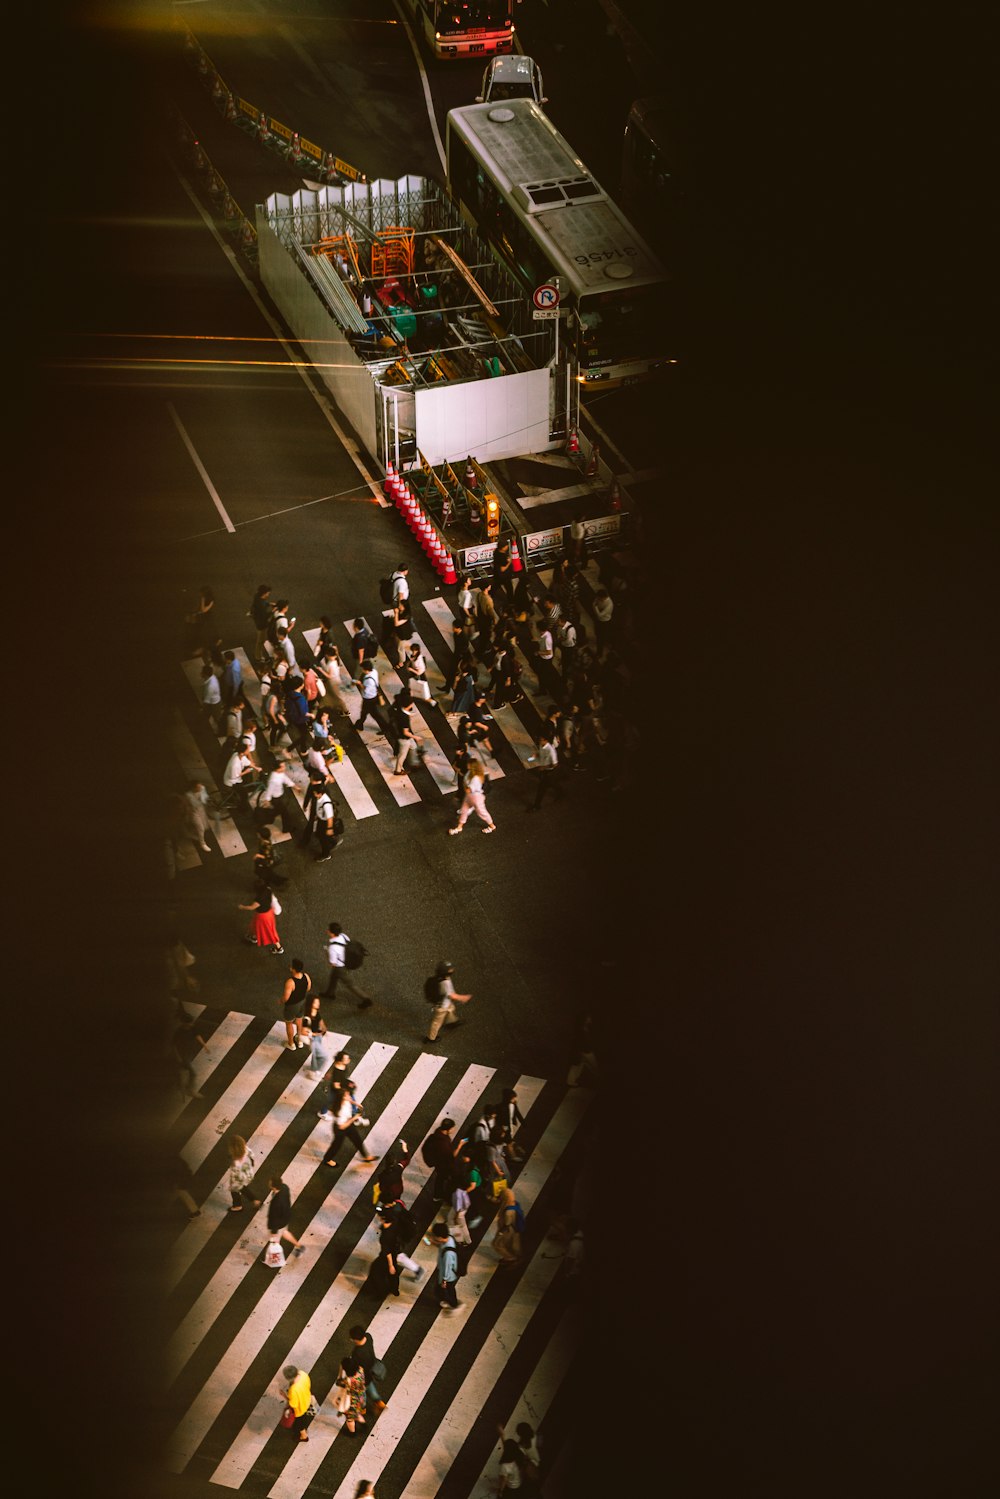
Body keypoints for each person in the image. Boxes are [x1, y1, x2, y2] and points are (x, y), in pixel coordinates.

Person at [322, 1078, 377, 1167]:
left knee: (357, 1140)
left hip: (348, 1125)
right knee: (336, 1146)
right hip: (341, 1129)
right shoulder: (340, 1111)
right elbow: (341, 1126)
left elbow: (348, 1099)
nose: (348, 1096)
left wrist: (355, 1103)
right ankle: (327, 1159)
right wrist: (354, 1118)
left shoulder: (343, 1099)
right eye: (346, 1095)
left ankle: (366, 1156)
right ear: (342, 1098)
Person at [324, 922, 373, 1007]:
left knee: (350, 984)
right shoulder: (343, 936)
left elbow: (333, 963)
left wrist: (327, 952)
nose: (327, 930)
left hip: (340, 968)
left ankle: (366, 999)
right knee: (333, 977)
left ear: (332, 933)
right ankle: (330, 993)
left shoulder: (333, 947)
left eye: (328, 930)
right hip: (346, 962)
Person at [377, 1203, 424, 1290]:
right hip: (399, 1238)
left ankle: (417, 1269)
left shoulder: (393, 1222)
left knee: (398, 1257)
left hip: (397, 1241)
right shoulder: (397, 1207)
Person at [425, 960, 472, 1042]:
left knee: (451, 1009)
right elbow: (452, 995)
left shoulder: (440, 978)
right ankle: (431, 1038)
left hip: (446, 1003)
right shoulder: (445, 983)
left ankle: (451, 1022)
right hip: (442, 1006)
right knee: (436, 1023)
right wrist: (463, 998)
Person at [345, 1326, 389, 1413]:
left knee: (361, 1392)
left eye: (352, 1339)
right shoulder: (368, 1337)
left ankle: (363, 1408)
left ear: (356, 1340)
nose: (351, 1340)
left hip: (364, 1376)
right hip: (372, 1368)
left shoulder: (357, 1353)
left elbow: (356, 1368)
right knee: (370, 1388)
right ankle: (380, 1403)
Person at [422, 1118, 468, 1203]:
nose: (454, 1129)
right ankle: (442, 1195)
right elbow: (451, 1157)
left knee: (440, 1178)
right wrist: (459, 1146)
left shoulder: (437, 1135)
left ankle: (437, 1195)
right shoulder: (443, 1145)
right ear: (448, 1129)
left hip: (439, 1163)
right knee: (447, 1178)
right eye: (453, 1128)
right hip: (444, 1165)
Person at [448, 758, 495, 835]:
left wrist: (464, 786)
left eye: (468, 764)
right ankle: (459, 827)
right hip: (469, 796)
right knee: (464, 811)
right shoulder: (470, 772)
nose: (467, 765)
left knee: (482, 813)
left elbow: (468, 790)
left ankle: (492, 826)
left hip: (476, 798)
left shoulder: (476, 778)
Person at [238, 880, 284, 955]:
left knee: (269, 932)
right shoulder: (268, 890)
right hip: (268, 913)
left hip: (263, 917)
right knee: (258, 926)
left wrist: (242, 907)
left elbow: (252, 907)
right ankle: (254, 937)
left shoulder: (259, 899)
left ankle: (279, 948)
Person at [172, 1013, 207, 1099]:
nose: (192, 1024)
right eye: (190, 1023)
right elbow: (174, 1045)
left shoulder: (192, 1028)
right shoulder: (179, 1031)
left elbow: (197, 1035)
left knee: (182, 1071)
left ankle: (182, 1087)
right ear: (185, 1023)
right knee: (193, 1073)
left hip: (189, 1053)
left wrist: (204, 1045)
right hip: (183, 1055)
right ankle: (190, 1090)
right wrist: (178, 1057)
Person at [267, 1176, 304, 1255]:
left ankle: (275, 1260)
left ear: (274, 1187)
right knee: (284, 1233)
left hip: (279, 1224)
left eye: (270, 1183)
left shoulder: (277, 1203)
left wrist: (274, 1231)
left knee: (275, 1241)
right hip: (285, 1217)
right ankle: (299, 1246)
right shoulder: (284, 1187)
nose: (268, 1184)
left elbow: (275, 1218)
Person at [261, 756, 298, 835]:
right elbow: (269, 790)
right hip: (276, 799)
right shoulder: (273, 779)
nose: (285, 768)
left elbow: (285, 779)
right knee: (285, 814)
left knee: (277, 811)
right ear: (278, 769)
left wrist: (294, 786)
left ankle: (267, 819)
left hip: (280, 796)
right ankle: (287, 828)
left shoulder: (280, 773)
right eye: (283, 767)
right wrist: (267, 800)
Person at [280, 959, 311, 1051]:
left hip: (292, 1005)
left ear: (293, 969)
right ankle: (299, 1040)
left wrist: (281, 1001)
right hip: (302, 1002)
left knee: (289, 1023)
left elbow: (286, 997)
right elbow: (308, 987)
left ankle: (291, 1043)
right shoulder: (306, 976)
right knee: (299, 1020)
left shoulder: (290, 982)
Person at [525, 731, 561, 811]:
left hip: (549, 772)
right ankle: (561, 792)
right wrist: (536, 755)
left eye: (541, 740)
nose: (539, 741)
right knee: (550, 784)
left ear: (546, 740)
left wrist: (544, 767)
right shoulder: (542, 745)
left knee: (541, 788)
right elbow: (540, 753)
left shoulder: (551, 750)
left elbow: (555, 764)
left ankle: (536, 806)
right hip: (544, 770)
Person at [430, 1221, 460, 1309]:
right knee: (445, 1290)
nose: (433, 1237)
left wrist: (444, 1280)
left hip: (448, 1276)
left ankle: (452, 1303)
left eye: (434, 1236)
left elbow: (447, 1267)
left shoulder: (448, 1254)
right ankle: (448, 1300)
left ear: (439, 1237)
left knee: (447, 1290)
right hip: (445, 1273)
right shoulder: (450, 1238)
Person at [335, 1354, 367, 1436]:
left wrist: (340, 1371)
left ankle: (352, 1433)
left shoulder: (348, 1381)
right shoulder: (360, 1369)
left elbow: (338, 1382)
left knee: (350, 1419)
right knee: (358, 1413)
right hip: (361, 1397)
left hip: (352, 1402)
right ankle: (364, 1425)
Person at [227, 1135, 260, 1213]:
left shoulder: (236, 1163)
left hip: (240, 1177)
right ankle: (255, 1200)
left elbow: (235, 1176)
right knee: (243, 1188)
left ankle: (237, 1206)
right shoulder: (246, 1149)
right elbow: (252, 1156)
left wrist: (232, 1184)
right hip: (249, 1173)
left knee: (235, 1190)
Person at [282, 1364, 313, 1443]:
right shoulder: (303, 1374)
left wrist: (284, 1395)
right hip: (307, 1399)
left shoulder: (293, 1390)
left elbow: (293, 1404)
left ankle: (304, 1436)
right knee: (305, 1417)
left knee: (299, 1423)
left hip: (300, 1409)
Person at [492, 1186, 523, 1266]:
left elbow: (506, 1224)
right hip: (515, 1229)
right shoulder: (514, 1203)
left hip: (508, 1230)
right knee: (512, 1244)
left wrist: (500, 1233)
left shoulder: (508, 1212)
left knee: (496, 1244)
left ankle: (510, 1258)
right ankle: (514, 1256)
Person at [316, 1049, 351, 1120]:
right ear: (340, 1060)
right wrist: (344, 1092)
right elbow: (336, 1085)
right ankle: (322, 1113)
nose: (348, 1060)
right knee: (330, 1100)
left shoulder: (342, 1064)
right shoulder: (337, 1072)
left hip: (341, 1084)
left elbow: (331, 1071)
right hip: (335, 1089)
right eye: (346, 1059)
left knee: (333, 1100)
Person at [391, 694, 421, 775]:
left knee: (413, 746)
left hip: (405, 737)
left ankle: (414, 763)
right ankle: (397, 771)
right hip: (404, 739)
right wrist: (416, 737)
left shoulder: (401, 710)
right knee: (402, 756)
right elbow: (405, 732)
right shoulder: (404, 719)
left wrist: (410, 715)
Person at [313, 783, 342, 862]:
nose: (314, 794)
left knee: (323, 840)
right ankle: (332, 840)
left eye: (315, 793)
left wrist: (329, 828)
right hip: (321, 820)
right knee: (320, 835)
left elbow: (329, 818)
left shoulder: (326, 804)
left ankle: (326, 855)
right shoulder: (321, 798)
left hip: (324, 823)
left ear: (320, 793)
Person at [181, 781, 212, 854]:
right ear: (193, 788)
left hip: (201, 810)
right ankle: (202, 843)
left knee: (203, 826)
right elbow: (190, 805)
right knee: (201, 828)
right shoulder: (188, 795)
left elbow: (205, 798)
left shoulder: (202, 788)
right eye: (198, 787)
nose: (200, 788)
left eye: (200, 786)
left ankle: (192, 833)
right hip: (193, 812)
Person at [354, 659, 383, 731]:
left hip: (369, 698)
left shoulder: (369, 680)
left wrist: (359, 684)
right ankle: (360, 724)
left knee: (370, 713)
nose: (362, 670)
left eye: (363, 669)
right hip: (373, 695)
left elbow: (366, 691)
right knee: (368, 713)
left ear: (366, 670)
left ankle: (385, 727)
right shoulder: (374, 671)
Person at [249, 583, 274, 666]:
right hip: (262, 625)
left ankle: (258, 655)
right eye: (267, 593)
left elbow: (262, 603)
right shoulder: (261, 607)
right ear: (264, 593)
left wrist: (269, 604)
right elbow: (265, 616)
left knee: (260, 640)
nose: (268, 594)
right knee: (260, 641)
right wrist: (273, 611)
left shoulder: (257, 597)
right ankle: (258, 657)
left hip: (257, 620)